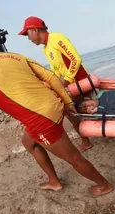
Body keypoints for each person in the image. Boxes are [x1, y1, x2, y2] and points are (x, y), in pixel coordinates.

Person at [0, 34, 113, 196]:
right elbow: (51, 77)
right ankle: (54, 181)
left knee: (73, 158)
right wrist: (67, 103)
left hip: (40, 118)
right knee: (29, 143)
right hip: (54, 102)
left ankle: (104, 185)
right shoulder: (12, 55)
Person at [18, 16, 92, 152]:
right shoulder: (46, 49)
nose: (28, 38)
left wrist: (67, 79)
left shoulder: (56, 38)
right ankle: (86, 141)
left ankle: (94, 137)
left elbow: (75, 58)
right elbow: (57, 71)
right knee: (71, 113)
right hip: (69, 86)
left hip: (80, 82)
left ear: (34, 30)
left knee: (89, 109)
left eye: (27, 34)